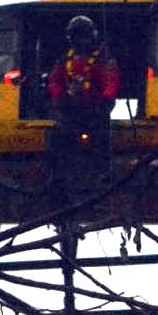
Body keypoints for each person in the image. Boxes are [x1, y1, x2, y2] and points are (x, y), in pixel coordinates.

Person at [45, 14, 120, 194]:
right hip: (71, 109)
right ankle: (58, 176)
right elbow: (54, 81)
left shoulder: (103, 57)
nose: (81, 40)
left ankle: (104, 172)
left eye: (84, 35)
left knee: (101, 138)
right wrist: (59, 97)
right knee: (57, 137)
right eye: (77, 36)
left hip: (96, 109)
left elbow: (111, 79)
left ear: (92, 35)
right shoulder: (64, 60)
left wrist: (106, 99)